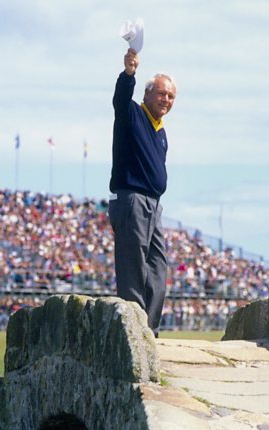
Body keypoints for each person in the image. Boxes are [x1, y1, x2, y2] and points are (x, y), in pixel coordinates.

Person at [108, 47, 177, 337]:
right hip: (132, 199)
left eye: (171, 96)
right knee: (133, 267)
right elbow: (121, 99)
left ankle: (148, 331)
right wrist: (129, 74)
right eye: (162, 94)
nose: (166, 100)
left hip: (153, 204)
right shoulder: (133, 114)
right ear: (147, 94)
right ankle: (134, 334)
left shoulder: (160, 131)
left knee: (158, 270)